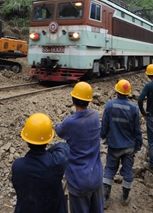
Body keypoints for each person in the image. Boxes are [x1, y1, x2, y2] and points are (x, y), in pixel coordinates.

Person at [55, 82, 104, 213]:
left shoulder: (70, 122)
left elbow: (59, 131)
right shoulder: (94, 116)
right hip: (96, 176)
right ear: (88, 101)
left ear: (73, 100)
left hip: (79, 181)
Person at [12, 113, 70, 213]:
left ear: (26, 140)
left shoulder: (17, 167)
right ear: (48, 140)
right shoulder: (56, 164)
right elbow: (64, 147)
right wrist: (48, 154)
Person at [101, 79, 143, 208]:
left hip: (114, 145)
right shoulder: (134, 108)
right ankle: (125, 198)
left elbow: (105, 125)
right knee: (128, 171)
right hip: (129, 147)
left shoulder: (109, 105)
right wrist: (138, 145)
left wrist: (102, 136)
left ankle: (106, 199)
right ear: (128, 93)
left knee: (109, 170)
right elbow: (137, 130)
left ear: (116, 91)